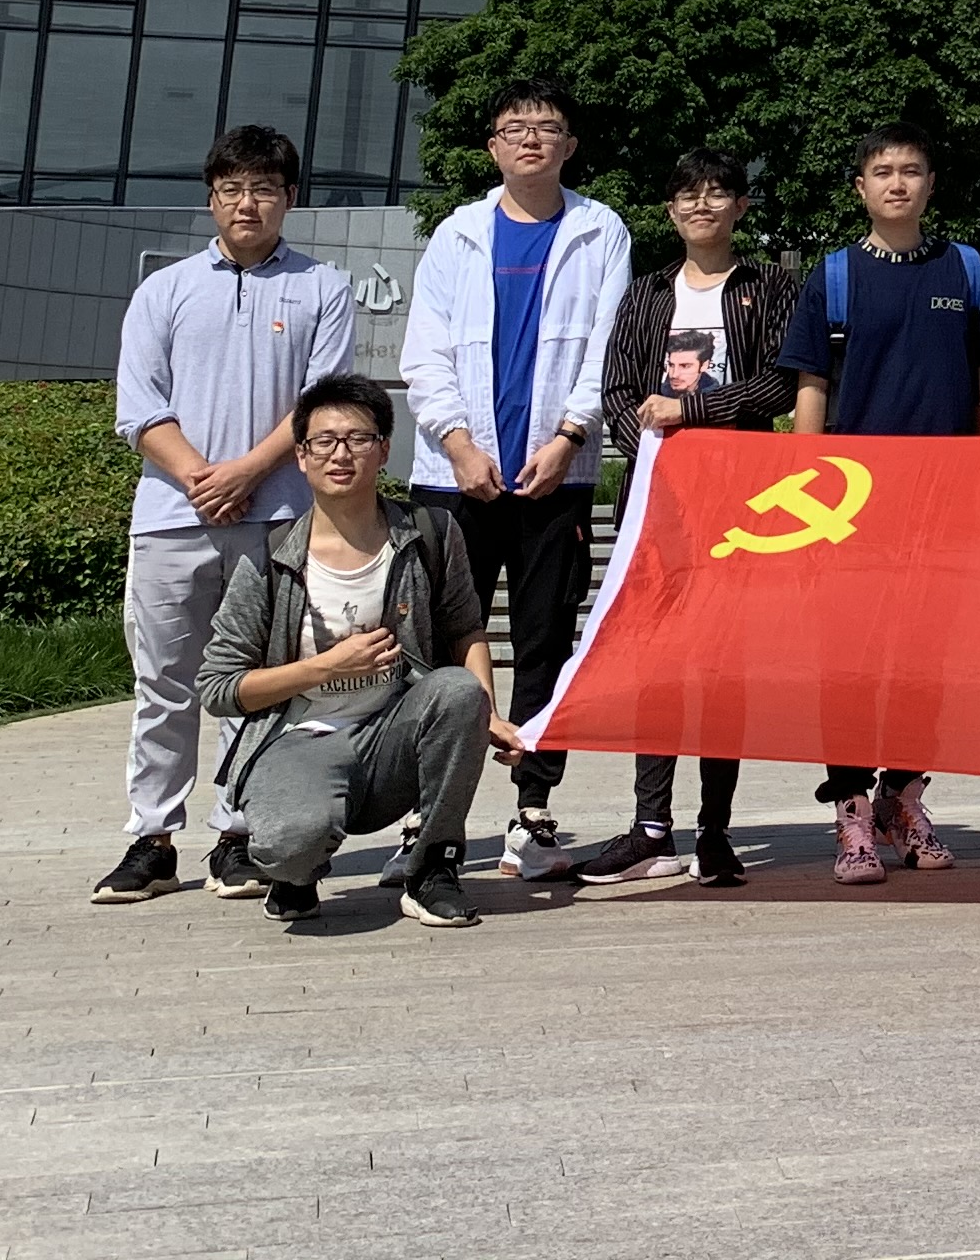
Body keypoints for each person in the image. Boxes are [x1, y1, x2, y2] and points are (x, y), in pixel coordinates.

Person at [96, 122, 355, 905]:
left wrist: (246, 472)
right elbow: (139, 407)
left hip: (276, 517)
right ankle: (152, 838)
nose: (248, 203)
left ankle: (238, 836)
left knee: (260, 681)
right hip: (170, 518)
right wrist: (200, 478)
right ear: (212, 198)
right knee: (163, 683)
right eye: (233, 189)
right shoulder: (164, 290)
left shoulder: (322, 288)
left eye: (264, 189)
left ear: (289, 198)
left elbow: (322, 402)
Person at [400, 76, 634, 884]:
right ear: (492, 146)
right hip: (454, 478)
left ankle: (532, 812)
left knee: (545, 641)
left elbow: (608, 344)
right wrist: (459, 444)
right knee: (438, 644)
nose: (531, 138)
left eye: (547, 126)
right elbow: (425, 353)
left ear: (570, 145)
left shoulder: (600, 229)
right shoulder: (458, 234)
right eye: (515, 127)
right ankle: (429, 814)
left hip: (553, 475)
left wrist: (571, 436)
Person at [195, 373, 521, 928]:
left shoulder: (429, 533)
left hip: (393, 736)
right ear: (301, 456)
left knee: (458, 691)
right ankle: (296, 871)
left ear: (384, 450)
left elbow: (466, 630)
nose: (341, 454)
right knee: (289, 845)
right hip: (299, 740)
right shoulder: (270, 557)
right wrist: (325, 667)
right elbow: (218, 688)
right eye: (324, 441)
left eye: (358, 439)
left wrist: (487, 714)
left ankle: (433, 866)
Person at [772, 122, 980, 884]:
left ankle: (902, 798)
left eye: (911, 170)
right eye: (882, 171)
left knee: (926, 661)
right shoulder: (834, 276)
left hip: (943, 502)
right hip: (852, 507)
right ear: (860, 188)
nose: (897, 183)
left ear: (931, 184)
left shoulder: (967, 269)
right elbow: (811, 388)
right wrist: (805, 500)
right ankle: (851, 813)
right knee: (848, 663)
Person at [573, 148, 797, 889]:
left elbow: (780, 384)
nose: (702, 205)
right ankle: (650, 826)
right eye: (688, 195)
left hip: (741, 501)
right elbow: (616, 390)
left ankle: (715, 830)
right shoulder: (644, 294)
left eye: (717, 193)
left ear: (741, 206)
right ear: (670, 211)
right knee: (656, 661)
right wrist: (651, 452)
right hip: (660, 504)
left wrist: (693, 410)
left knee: (724, 667)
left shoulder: (770, 287)